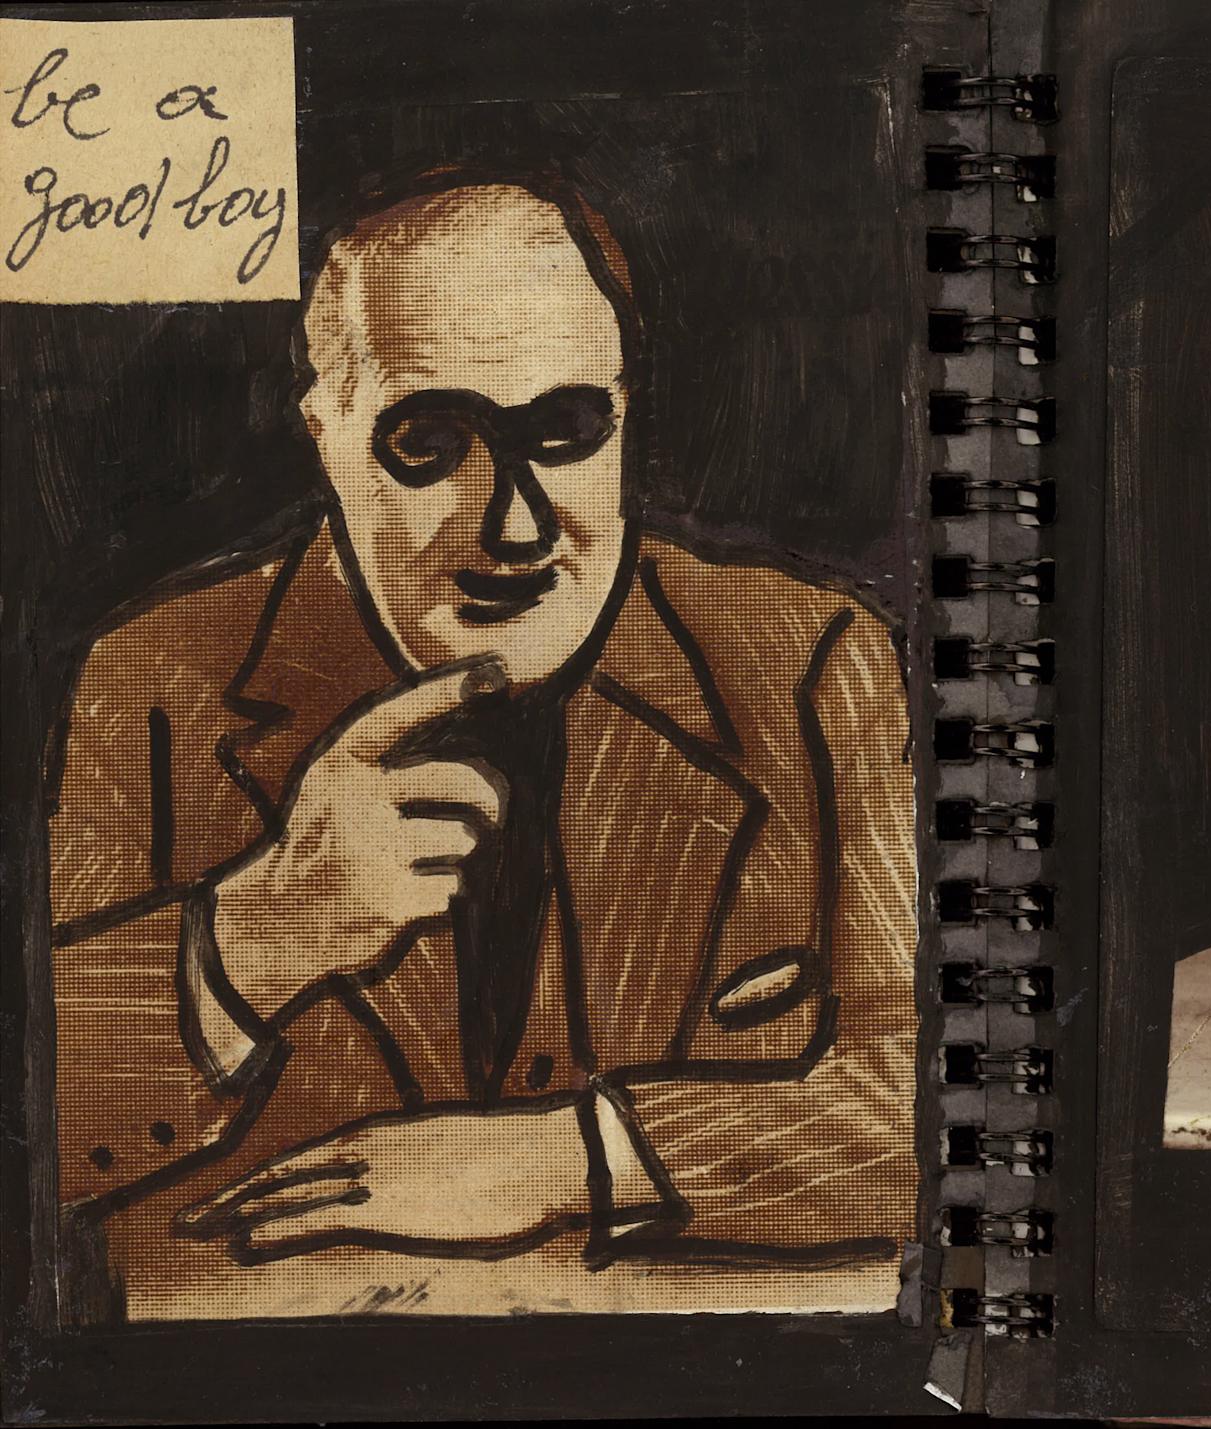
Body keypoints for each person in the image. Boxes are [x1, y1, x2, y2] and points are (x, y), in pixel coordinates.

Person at [45, 171, 917, 1298]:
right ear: (326, 435)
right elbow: (37, 1139)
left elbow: (950, 1110)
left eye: (564, 430)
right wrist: (263, 930)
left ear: (625, 419)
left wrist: (569, 1158)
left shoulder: (809, 665)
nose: (515, 520)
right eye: (430, 440)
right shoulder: (157, 682)